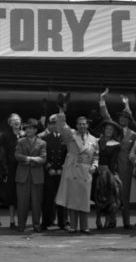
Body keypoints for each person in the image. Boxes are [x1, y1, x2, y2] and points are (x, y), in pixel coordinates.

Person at [54, 99, 98, 234]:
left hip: (86, 171)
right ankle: (73, 226)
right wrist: (62, 111)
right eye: (80, 124)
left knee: (84, 200)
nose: (82, 126)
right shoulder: (70, 135)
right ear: (76, 125)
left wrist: (94, 166)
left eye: (84, 124)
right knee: (73, 200)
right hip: (73, 169)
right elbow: (62, 126)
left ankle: (85, 226)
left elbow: (96, 156)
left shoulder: (94, 139)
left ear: (87, 125)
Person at [100, 89, 136, 228]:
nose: (122, 119)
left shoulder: (134, 135)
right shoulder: (114, 131)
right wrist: (102, 100)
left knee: (125, 195)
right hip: (112, 166)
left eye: (125, 117)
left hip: (126, 168)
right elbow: (106, 116)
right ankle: (111, 220)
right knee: (110, 194)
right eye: (120, 117)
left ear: (128, 120)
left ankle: (127, 221)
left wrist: (127, 105)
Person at [14, 118, 47, 232]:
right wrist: (30, 158)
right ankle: (21, 225)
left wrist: (28, 159)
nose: (28, 130)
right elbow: (17, 155)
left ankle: (36, 225)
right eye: (27, 128)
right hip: (23, 176)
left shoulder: (42, 143)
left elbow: (43, 158)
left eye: (31, 128)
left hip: (37, 176)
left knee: (36, 202)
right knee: (22, 202)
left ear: (35, 130)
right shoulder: (20, 141)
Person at [92, 117, 122, 230]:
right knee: (94, 190)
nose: (109, 131)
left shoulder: (116, 144)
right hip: (96, 169)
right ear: (104, 129)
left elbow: (113, 161)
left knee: (118, 187)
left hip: (108, 170)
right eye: (107, 128)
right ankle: (98, 217)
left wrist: (112, 173)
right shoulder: (96, 141)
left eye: (111, 129)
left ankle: (111, 217)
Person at [41, 114, 68, 231]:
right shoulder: (44, 139)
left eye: (57, 124)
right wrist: (49, 168)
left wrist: (62, 168)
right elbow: (43, 155)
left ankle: (63, 222)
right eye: (53, 124)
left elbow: (68, 155)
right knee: (48, 198)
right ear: (49, 126)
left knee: (62, 198)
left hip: (62, 172)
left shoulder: (66, 138)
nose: (55, 126)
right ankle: (46, 222)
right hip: (50, 173)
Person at [0, 113, 23, 228]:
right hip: (11, 167)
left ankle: (21, 220)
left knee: (23, 195)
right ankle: (12, 220)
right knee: (12, 195)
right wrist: (4, 169)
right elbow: (1, 153)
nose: (16, 122)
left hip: (24, 167)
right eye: (13, 120)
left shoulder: (25, 134)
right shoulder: (5, 136)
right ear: (10, 123)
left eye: (18, 119)